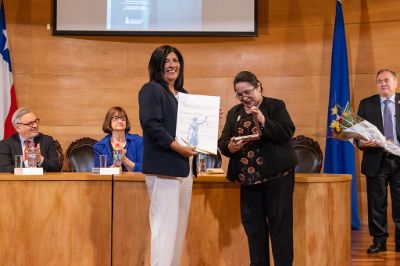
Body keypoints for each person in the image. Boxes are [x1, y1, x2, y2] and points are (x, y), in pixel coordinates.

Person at [218, 71, 297, 266]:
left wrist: (263, 120)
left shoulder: (276, 106)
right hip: (248, 180)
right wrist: (230, 146)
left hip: (277, 178)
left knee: (280, 230)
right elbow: (223, 142)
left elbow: (287, 132)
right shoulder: (234, 113)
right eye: (239, 94)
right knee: (254, 231)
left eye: (248, 92)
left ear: (259, 87)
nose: (245, 98)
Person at [138, 45, 197, 266]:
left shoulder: (184, 95)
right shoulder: (151, 90)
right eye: (166, 62)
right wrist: (177, 147)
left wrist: (207, 116)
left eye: (175, 60)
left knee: (178, 229)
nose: (172, 65)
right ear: (157, 66)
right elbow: (152, 126)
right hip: (164, 169)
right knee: (164, 230)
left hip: (184, 168)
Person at [357, 69, 400, 254]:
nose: (383, 84)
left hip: (399, 160)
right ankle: (379, 241)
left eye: (387, 80)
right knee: (376, 204)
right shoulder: (366, 104)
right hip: (376, 159)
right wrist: (362, 142)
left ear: (396, 82)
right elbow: (357, 134)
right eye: (379, 81)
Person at [0, 108, 61, 172]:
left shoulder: (47, 140)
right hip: (17, 181)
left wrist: (40, 159)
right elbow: (3, 169)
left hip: (41, 181)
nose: (35, 125)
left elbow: (56, 168)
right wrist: (29, 163)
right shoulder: (5, 145)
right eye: (30, 123)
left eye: (36, 121)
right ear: (18, 127)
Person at [94, 106, 143, 172]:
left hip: (133, 181)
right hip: (109, 181)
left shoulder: (138, 141)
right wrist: (110, 170)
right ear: (109, 122)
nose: (120, 121)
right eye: (116, 118)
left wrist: (124, 160)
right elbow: (97, 172)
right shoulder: (99, 146)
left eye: (123, 118)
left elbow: (144, 169)